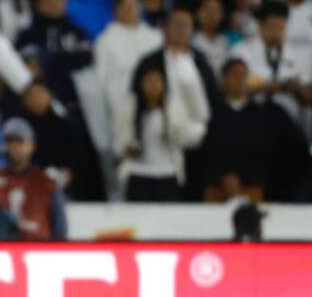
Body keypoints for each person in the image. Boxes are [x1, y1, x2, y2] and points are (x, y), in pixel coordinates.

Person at [203, 58, 309, 201]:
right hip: (216, 187)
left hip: (252, 187)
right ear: (223, 79)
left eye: (243, 75)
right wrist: (222, 177)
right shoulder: (210, 112)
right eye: (235, 75)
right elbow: (207, 151)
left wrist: (244, 179)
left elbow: (263, 151)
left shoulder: (261, 114)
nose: (239, 80)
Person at [0, 117, 68, 241]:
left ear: (31, 145)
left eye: (19, 141)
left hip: (36, 250)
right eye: (9, 141)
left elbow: (60, 230)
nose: (14, 146)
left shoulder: (47, 183)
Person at [114, 65, 206, 201]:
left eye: (157, 81)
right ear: (141, 84)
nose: (153, 85)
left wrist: (179, 133)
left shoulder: (175, 109)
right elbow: (118, 141)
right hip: (137, 174)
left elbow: (189, 138)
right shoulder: (129, 109)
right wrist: (127, 148)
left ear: (164, 84)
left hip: (167, 174)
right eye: (148, 81)